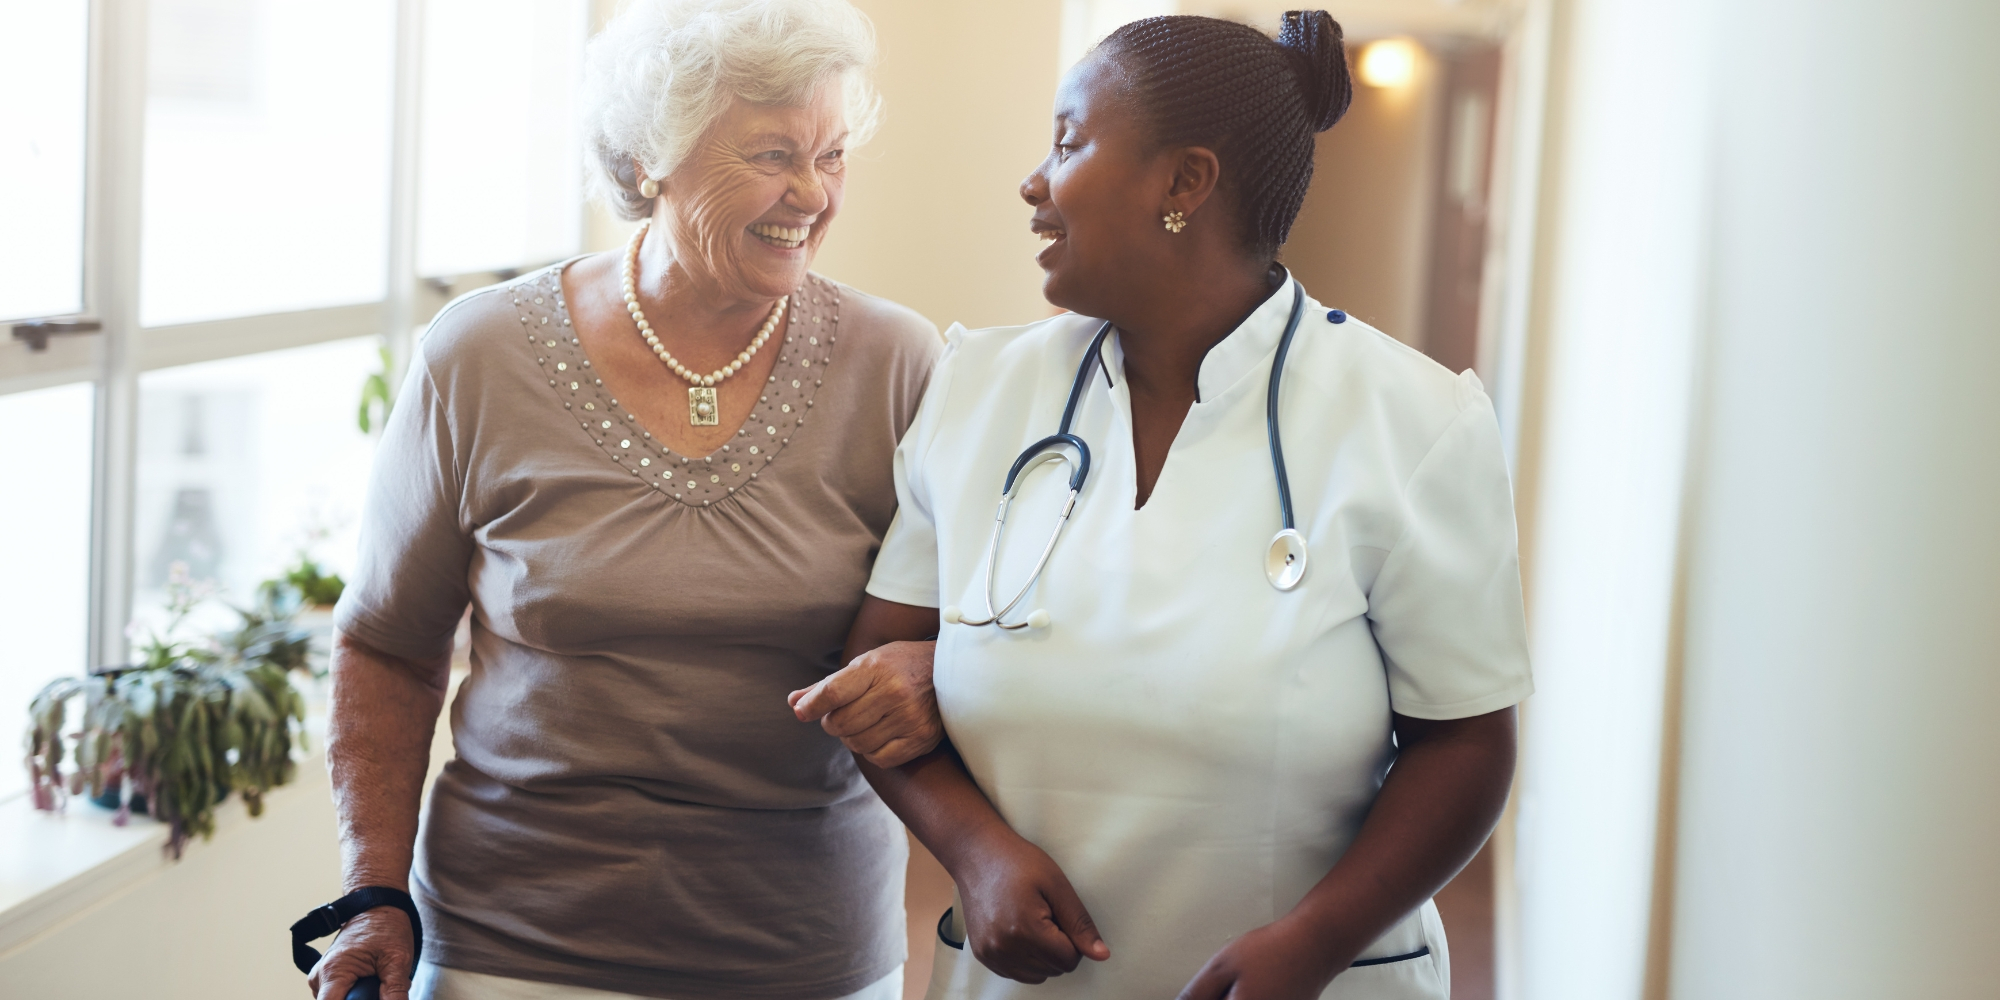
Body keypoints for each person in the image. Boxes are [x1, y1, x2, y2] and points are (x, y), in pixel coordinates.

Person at [817, 12, 1533, 1000]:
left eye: (1067, 143)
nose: (1033, 181)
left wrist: (1315, 943)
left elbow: (1465, 740)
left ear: (1183, 184)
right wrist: (973, 851)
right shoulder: (978, 389)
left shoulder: (1412, 420)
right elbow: (875, 687)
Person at [310, 2, 945, 998]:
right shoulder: (479, 354)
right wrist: (372, 890)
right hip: (510, 947)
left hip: (804, 949)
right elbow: (387, 642)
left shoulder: (899, 361)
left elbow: (976, 624)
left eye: (832, 154)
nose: (813, 194)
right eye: (775, 153)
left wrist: (931, 662)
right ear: (650, 158)